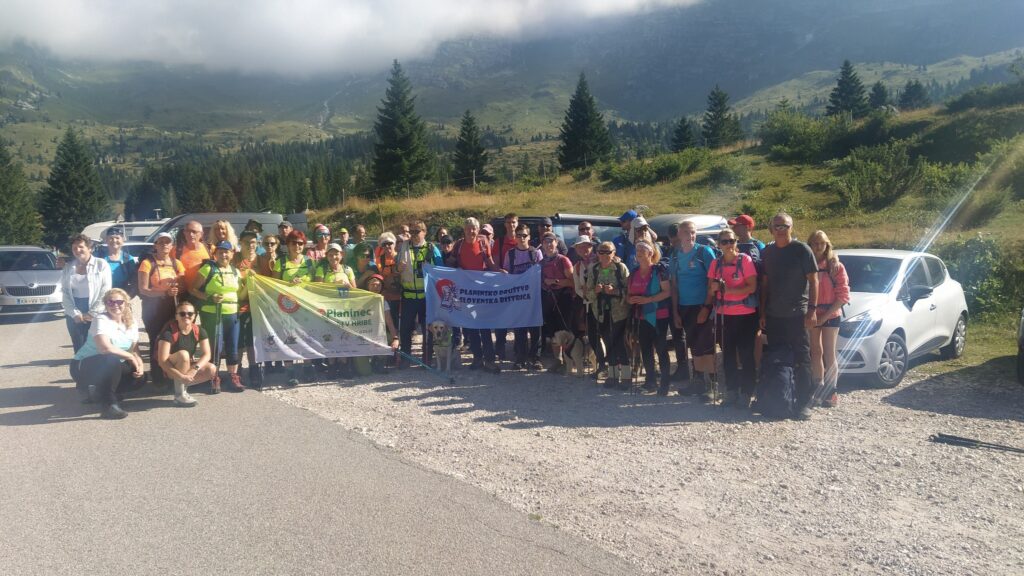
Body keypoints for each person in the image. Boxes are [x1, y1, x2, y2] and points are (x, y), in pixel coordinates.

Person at [760, 212, 819, 420]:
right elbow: (765, 284)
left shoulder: (802, 250)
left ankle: (804, 403)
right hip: (774, 315)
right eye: (777, 226)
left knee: (802, 359)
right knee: (776, 358)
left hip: (797, 315)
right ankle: (778, 400)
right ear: (771, 229)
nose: (780, 230)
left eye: (784, 226)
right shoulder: (767, 252)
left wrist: (812, 310)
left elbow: (814, 281)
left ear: (791, 228)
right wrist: (762, 312)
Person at [69, 288, 144, 419]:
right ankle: (108, 405)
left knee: (139, 378)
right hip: (83, 366)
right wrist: (130, 356)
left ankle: (102, 392)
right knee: (110, 359)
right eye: (110, 302)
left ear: (126, 303)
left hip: (111, 366)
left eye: (119, 302)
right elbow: (105, 348)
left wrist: (140, 365)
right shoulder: (101, 319)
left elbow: (134, 350)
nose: (115, 305)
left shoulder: (131, 323)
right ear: (105, 304)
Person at [704, 228, 759, 407]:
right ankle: (731, 391)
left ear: (736, 242)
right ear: (719, 244)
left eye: (732, 241)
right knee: (727, 355)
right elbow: (710, 290)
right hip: (724, 315)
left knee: (746, 354)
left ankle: (747, 392)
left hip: (745, 315)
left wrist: (728, 290)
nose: (729, 245)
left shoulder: (745, 260)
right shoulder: (715, 264)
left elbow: (752, 287)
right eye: (724, 242)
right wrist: (713, 292)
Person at [669, 220, 718, 398]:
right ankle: (698, 382)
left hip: (702, 305)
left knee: (707, 345)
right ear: (679, 235)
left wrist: (706, 307)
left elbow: (712, 281)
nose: (690, 236)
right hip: (684, 306)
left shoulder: (704, 252)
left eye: (693, 232)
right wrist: (675, 312)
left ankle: (713, 385)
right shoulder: (675, 256)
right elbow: (674, 286)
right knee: (694, 345)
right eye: (686, 232)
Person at [192, 240, 245, 393]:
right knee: (216, 347)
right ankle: (213, 377)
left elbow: (240, 294)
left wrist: (249, 284)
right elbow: (193, 289)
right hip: (212, 313)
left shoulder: (235, 271)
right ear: (215, 254)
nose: (223, 255)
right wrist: (210, 297)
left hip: (232, 313)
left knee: (233, 346)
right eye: (220, 252)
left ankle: (233, 376)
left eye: (226, 252)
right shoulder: (208, 268)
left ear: (232, 254)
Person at [453, 217, 502, 373]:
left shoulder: (483, 242)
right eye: (468, 228)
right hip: (466, 292)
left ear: (478, 229)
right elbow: (451, 263)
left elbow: (489, 262)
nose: (471, 231)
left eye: (474, 228)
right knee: (471, 326)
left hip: (481, 291)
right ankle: (477, 358)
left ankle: (489, 359)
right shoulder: (459, 245)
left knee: (484, 326)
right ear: (464, 230)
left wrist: (499, 272)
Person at [807, 230, 850, 409]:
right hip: (813, 313)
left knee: (829, 353)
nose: (818, 247)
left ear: (827, 245)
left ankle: (831, 392)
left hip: (831, 313)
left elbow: (843, 295)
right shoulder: (806, 264)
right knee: (815, 351)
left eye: (822, 243)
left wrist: (824, 316)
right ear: (810, 245)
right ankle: (818, 388)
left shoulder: (835, 266)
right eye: (815, 243)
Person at [137, 232, 185, 384]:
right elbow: (143, 289)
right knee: (156, 341)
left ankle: (171, 376)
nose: (164, 244)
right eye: (161, 242)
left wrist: (178, 288)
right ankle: (157, 377)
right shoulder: (147, 263)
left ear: (172, 246)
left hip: (171, 306)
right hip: (153, 309)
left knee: (172, 340)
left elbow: (183, 284)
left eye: (167, 242)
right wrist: (164, 293)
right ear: (155, 245)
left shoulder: (176, 263)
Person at [627, 241, 672, 394]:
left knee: (661, 349)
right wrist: (631, 300)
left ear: (651, 253)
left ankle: (665, 384)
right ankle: (650, 382)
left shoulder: (659, 271)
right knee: (645, 349)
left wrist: (648, 300)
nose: (638, 252)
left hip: (659, 316)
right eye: (637, 249)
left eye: (642, 249)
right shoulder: (634, 272)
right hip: (641, 316)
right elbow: (628, 295)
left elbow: (667, 292)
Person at [396, 221, 443, 367]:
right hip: (408, 296)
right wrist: (398, 268)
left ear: (424, 232)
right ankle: (406, 359)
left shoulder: (431, 248)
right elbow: (397, 268)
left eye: (417, 231)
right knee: (405, 329)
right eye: (411, 232)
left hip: (426, 297)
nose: (413, 235)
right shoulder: (403, 246)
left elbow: (441, 270)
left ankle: (427, 359)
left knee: (427, 330)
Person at [586, 241, 630, 390]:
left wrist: (615, 291)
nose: (604, 255)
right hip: (600, 313)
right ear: (597, 253)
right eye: (601, 252)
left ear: (614, 253)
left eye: (608, 252)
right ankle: (612, 376)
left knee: (620, 344)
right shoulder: (594, 269)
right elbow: (588, 294)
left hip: (619, 313)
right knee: (609, 343)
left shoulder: (620, 268)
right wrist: (596, 291)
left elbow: (629, 290)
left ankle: (626, 377)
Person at [156, 301, 217, 407]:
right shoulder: (168, 332)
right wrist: (180, 376)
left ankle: (181, 387)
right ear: (176, 316)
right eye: (182, 314)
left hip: (186, 367)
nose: (186, 316)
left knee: (211, 369)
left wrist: (195, 369)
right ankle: (179, 395)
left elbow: (207, 354)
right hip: (168, 370)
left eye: (190, 313)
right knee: (183, 354)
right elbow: (162, 361)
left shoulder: (199, 330)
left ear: (194, 316)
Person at [61, 234, 112, 353]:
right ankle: (80, 365)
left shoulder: (101, 264)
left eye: (81, 247)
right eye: (74, 248)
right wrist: (74, 313)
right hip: (74, 310)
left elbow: (105, 290)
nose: (77, 250)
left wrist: (92, 313)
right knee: (79, 347)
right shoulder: (68, 267)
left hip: (97, 309)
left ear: (89, 248)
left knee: (98, 347)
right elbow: (65, 292)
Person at [503, 224, 544, 370]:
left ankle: (535, 358)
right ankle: (520, 358)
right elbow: (506, 273)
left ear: (529, 237)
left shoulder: (536, 253)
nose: (521, 238)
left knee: (535, 329)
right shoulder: (510, 254)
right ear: (515, 237)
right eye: (519, 235)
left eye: (524, 235)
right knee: (519, 330)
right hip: (517, 298)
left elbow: (541, 273)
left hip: (533, 298)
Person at [571, 235, 605, 378]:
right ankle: (602, 364)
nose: (583, 249)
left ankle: (612, 366)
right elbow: (577, 287)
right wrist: (586, 295)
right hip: (588, 304)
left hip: (603, 303)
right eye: (580, 247)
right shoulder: (577, 267)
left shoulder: (600, 261)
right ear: (576, 250)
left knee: (606, 334)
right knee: (592, 336)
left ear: (591, 247)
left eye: (586, 246)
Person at [540, 231, 575, 353]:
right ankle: (558, 359)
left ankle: (568, 358)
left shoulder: (563, 260)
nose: (548, 244)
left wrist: (554, 281)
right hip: (548, 299)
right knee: (553, 331)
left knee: (564, 330)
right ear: (542, 244)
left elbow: (573, 282)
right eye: (545, 242)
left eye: (551, 241)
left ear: (556, 243)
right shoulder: (541, 263)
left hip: (564, 298)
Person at [234, 230, 261, 387]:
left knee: (252, 341)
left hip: (257, 307)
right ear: (240, 243)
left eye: (253, 242)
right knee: (239, 341)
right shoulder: (234, 259)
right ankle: (237, 370)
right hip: (240, 306)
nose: (250, 245)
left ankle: (254, 368)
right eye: (246, 242)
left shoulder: (261, 260)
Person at [374, 232, 402, 349]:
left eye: (389, 243)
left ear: (394, 244)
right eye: (384, 244)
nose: (387, 246)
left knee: (402, 327)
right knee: (389, 327)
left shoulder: (400, 257)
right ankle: (392, 352)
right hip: (387, 298)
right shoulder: (379, 260)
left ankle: (403, 351)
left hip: (401, 297)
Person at [174, 220, 211, 306]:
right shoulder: (176, 250)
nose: (191, 234)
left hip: (203, 293)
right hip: (183, 294)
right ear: (184, 233)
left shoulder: (210, 249)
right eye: (188, 231)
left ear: (201, 234)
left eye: (194, 232)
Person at [102, 227, 137, 296]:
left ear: (122, 240)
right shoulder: (99, 257)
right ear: (106, 240)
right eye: (111, 238)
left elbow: (134, 281)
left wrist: (128, 297)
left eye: (117, 238)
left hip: (122, 296)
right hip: (103, 295)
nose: (114, 240)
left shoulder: (128, 259)